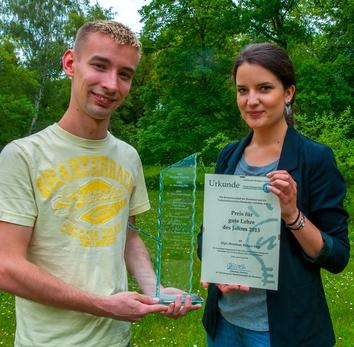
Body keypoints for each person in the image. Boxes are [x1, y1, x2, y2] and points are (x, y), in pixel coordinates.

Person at [0, 20, 200, 347]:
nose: (111, 84)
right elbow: (6, 267)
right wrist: (104, 306)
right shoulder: (22, 156)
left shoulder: (128, 156)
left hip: (116, 340)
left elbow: (128, 235)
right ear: (70, 63)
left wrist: (154, 290)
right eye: (99, 65)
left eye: (125, 74)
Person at [198, 43, 349, 347]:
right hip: (224, 325)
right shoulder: (229, 156)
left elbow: (338, 256)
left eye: (264, 88)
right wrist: (214, 268)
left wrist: (292, 213)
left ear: (288, 93)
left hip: (282, 331)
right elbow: (209, 234)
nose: (251, 100)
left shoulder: (314, 158)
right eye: (243, 90)